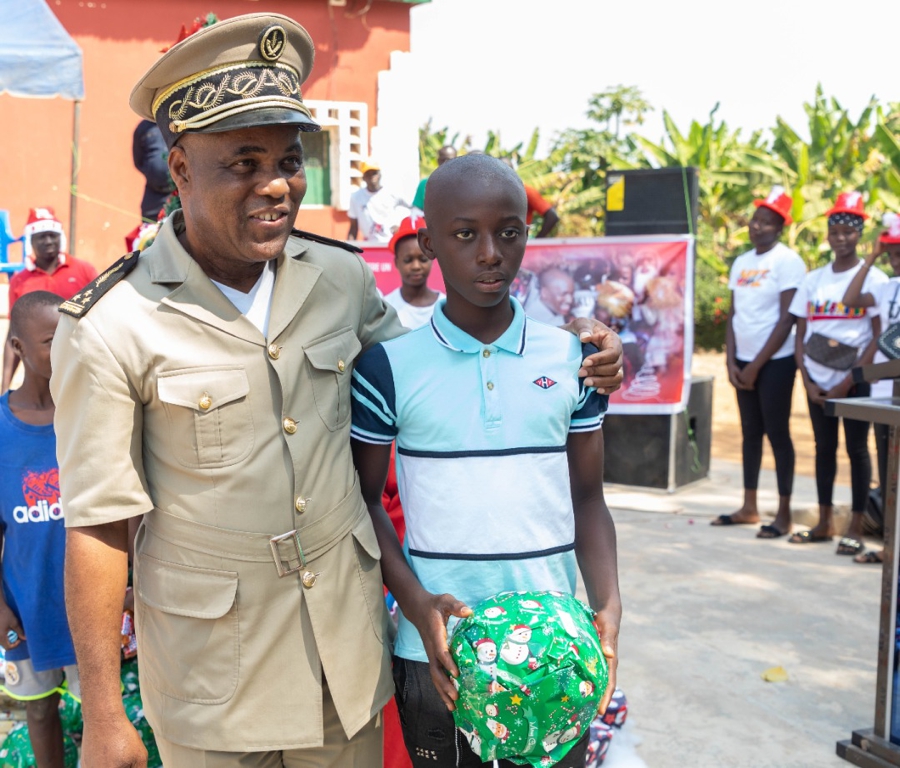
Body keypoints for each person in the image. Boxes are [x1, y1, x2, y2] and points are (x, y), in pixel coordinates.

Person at [49, 14, 625, 768]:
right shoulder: (112, 325)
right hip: (213, 684)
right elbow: (98, 525)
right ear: (181, 168)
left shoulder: (339, 278)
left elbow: (446, 356)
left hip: (344, 668)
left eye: (289, 161)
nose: (277, 187)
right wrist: (101, 712)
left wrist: (574, 343)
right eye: (244, 163)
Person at [350, 154, 620, 768]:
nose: (490, 252)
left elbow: (587, 499)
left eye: (508, 231)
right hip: (439, 656)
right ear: (428, 241)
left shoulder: (572, 359)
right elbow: (364, 500)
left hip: (555, 657)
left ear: (527, 233)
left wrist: (608, 605)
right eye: (465, 234)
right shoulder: (388, 368)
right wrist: (417, 605)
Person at [0, 291, 78, 768]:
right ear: (18, 349)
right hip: (27, 604)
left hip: (91, 598)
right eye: (51, 340)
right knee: (42, 712)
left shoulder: (87, 414)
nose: (66, 347)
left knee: (101, 713)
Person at [788, 192, 886, 554]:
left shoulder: (874, 278)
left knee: (858, 450)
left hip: (854, 379)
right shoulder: (813, 280)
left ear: (859, 235)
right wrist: (808, 382)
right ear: (827, 235)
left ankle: (856, 527)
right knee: (823, 448)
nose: (840, 237)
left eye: (848, 231)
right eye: (834, 231)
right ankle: (825, 522)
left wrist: (851, 380)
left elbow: (879, 335)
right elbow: (800, 336)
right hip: (817, 380)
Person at [713, 187, 806, 538]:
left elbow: (787, 320)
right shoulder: (742, 262)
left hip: (776, 362)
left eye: (767, 223)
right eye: (755, 220)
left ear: (780, 228)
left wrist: (756, 365)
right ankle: (749, 506)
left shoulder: (788, 261)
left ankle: (784, 514)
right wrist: (731, 361)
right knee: (750, 433)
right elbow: (734, 314)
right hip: (742, 361)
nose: (757, 227)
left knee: (778, 434)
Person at [841, 212, 900, 564]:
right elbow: (850, 299)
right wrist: (874, 256)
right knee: (888, 470)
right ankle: (889, 546)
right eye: (893, 253)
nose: (897, 260)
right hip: (884, 392)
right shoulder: (886, 286)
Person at [2, 208, 97, 393]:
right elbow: (14, 331)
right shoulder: (19, 281)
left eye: (53, 235)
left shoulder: (84, 271)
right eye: (42, 236)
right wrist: (4, 387)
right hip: (39, 371)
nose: (48, 241)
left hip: (79, 363)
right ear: (31, 241)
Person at [383, 214, 443, 329]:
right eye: (408, 260)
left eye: (423, 259)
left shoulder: (446, 308)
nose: (416, 266)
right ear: (396, 262)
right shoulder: (386, 308)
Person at [348, 159, 412, 243]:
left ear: (379, 175)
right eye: (368, 173)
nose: (371, 176)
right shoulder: (356, 197)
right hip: (370, 245)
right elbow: (353, 228)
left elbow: (414, 208)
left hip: (392, 243)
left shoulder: (393, 193)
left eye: (374, 173)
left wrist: (402, 226)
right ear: (363, 177)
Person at [132, 120, 172, 222]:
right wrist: (154, 173)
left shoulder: (179, 121)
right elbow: (138, 161)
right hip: (153, 196)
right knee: (150, 232)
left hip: (179, 193)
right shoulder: (143, 128)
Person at [411, 145, 457, 211]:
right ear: (438, 160)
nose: (445, 163)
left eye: (449, 160)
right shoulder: (425, 184)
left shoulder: (463, 184)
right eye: (443, 160)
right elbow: (416, 210)